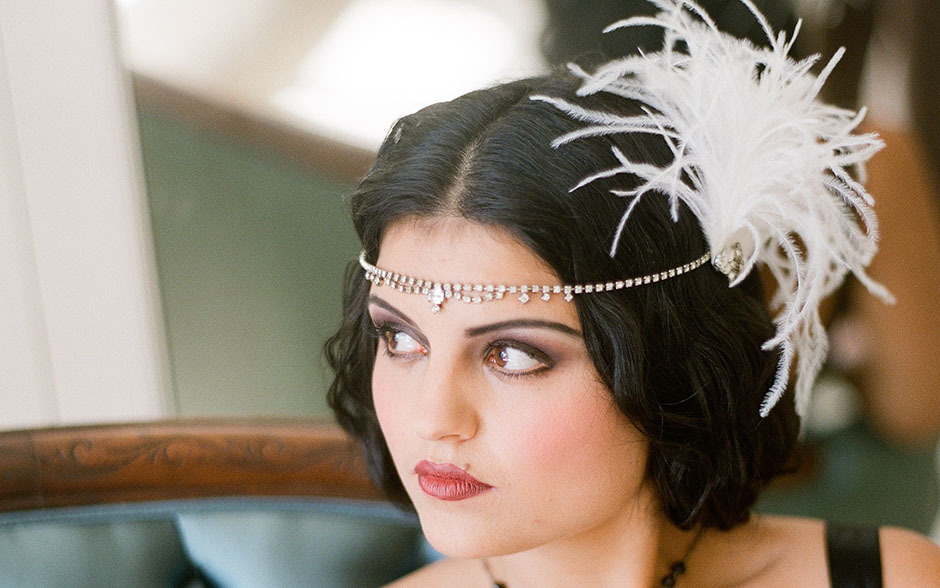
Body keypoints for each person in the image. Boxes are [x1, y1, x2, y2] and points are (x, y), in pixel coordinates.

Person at [325, 1, 940, 585]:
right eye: (399, 338)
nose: (431, 420)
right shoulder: (486, 177)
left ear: (670, 362)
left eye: (512, 354)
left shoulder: (889, 576)